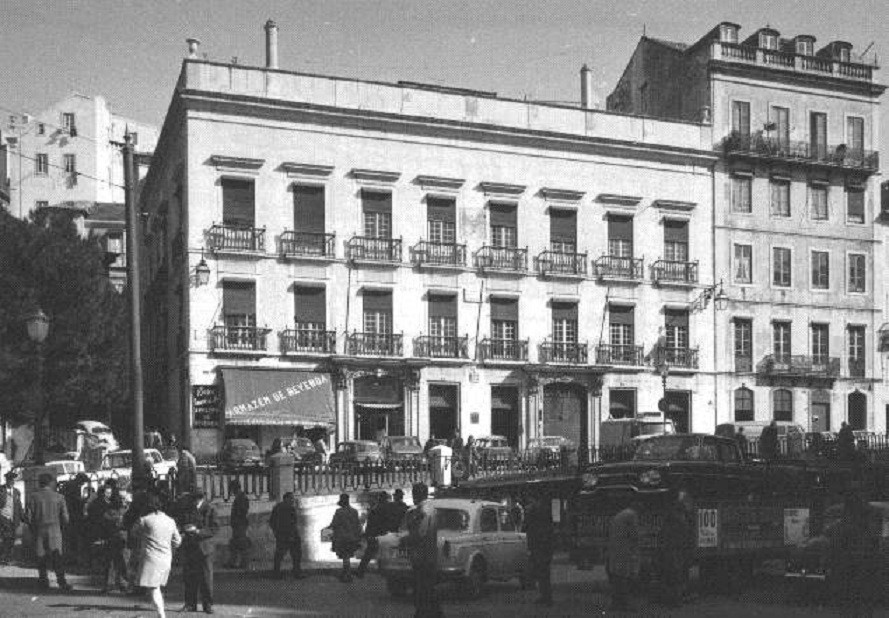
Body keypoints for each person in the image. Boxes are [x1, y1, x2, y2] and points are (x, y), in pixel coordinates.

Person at [132, 493, 182, 618]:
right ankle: (160, 610)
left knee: (153, 588)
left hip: (150, 558)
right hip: (166, 558)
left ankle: (161, 614)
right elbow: (177, 541)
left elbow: (134, 534)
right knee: (157, 586)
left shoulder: (144, 520)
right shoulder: (170, 521)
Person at [25, 473, 72, 591]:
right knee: (57, 557)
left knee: (41, 557)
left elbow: (28, 517)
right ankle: (62, 582)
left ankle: (43, 581)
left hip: (39, 529)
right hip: (55, 530)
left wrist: (33, 528)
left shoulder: (33, 497)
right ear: (51, 483)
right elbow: (66, 518)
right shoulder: (59, 497)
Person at [401, 482, 441, 618]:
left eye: (414, 493)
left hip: (422, 556)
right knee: (427, 590)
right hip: (427, 555)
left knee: (422, 590)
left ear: (418, 494)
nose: (413, 496)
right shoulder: (429, 508)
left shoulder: (424, 510)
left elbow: (420, 533)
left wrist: (405, 540)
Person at [180, 491, 218, 614]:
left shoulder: (210, 509)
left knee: (206, 578)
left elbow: (214, 528)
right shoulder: (188, 508)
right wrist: (184, 529)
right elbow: (181, 523)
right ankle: (190, 604)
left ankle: (208, 604)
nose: (195, 502)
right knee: (189, 577)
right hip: (190, 546)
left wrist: (198, 531)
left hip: (204, 548)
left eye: (197, 499)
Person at [88, 480, 129, 593]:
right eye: (107, 493)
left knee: (114, 560)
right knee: (116, 560)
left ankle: (113, 583)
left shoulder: (109, 507)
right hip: (112, 535)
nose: (109, 495)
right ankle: (118, 583)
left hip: (112, 535)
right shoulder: (101, 506)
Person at [657, 494, 693, 607]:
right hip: (675, 550)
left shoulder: (673, 519)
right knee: (676, 575)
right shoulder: (678, 519)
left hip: (673, 550)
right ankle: (676, 599)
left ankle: (674, 598)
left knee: (673, 575)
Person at [606, 501, 640, 611]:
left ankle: (616, 603)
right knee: (624, 577)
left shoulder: (620, 515)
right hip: (624, 549)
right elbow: (634, 533)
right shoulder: (631, 515)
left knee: (617, 576)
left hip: (615, 548)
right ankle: (624, 604)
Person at [524, 493, 554, 606]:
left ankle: (546, 597)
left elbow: (532, 529)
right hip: (543, 547)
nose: (529, 504)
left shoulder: (537, 513)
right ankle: (545, 596)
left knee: (542, 572)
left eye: (531, 502)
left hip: (540, 547)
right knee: (543, 573)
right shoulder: (543, 511)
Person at [269, 491, 304, 579]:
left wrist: (276, 532)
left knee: (279, 555)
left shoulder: (277, 507)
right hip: (290, 534)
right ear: (287, 498)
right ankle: (296, 572)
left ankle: (276, 573)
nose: (293, 500)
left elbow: (272, 521)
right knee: (296, 554)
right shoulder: (290, 508)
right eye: (291, 498)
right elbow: (293, 523)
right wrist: (292, 535)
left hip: (281, 535)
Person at [329, 493, 362, 583]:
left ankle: (347, 574)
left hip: (342, 538)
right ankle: (347, 573)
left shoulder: (339, 511)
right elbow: (357, 525)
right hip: (352, 537)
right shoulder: (354, 511)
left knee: (345, 556)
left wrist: (329, 528)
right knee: (347, 556)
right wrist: (358, 537)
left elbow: (334, 524)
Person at [356, 492, 389, 578]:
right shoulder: (385, 508)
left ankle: (361, 571)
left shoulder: (375, 509)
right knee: (380, 552)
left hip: (374, 534)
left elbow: (370, 523)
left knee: (369, 553)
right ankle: (381, 570)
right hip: (381, 534)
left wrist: (367, 534)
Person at [226, 480, 250, 569]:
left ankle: (243, 563)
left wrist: (237, 521)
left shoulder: (241, 498)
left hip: (240, 524)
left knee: (241, 543)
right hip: (239, 524)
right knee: (235, 544)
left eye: (232, 489)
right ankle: (234, 562)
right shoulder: (240, 497)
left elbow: (242, 512)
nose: (231, 491)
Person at [0, 470, 23, 564]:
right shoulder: (1, 490)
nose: (12, 481)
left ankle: (8, 557)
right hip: (3, 517)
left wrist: (22, 517)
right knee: (5, 537)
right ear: (6, 480)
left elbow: (19, 505)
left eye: (13, 480)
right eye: (10, 479)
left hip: (14, 518)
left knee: (12, 538)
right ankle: (4, 557)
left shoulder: (17, 492)